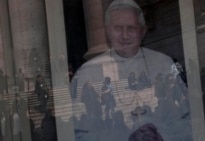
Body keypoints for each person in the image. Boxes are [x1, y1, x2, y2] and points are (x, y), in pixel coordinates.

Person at [70, 0, 192, 141]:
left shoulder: (164, 63)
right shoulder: (87, 72)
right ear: (108, 31)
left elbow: (184, 121)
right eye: (118, 28)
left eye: (131, 28)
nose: (125, 36)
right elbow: (82, 133)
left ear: (142, 31)